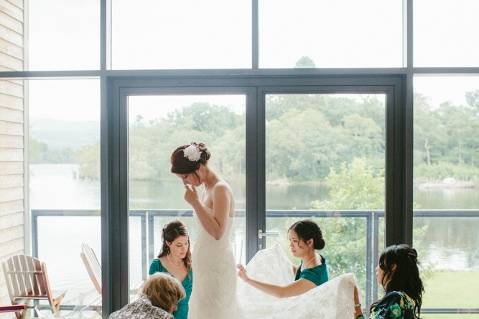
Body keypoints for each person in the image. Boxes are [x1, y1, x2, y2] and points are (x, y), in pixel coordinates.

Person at [171, 142, 241, 319]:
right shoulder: (206, 189)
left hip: (218, 265)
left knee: (216, 312)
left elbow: (218, 232)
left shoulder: (220, 189)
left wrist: (195, 202)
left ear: (199, 167)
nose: (184, 181)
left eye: (185, 176)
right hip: (205, 264)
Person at [237, 219, 328, 298]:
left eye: (295, 241)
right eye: (290, 240)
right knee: (270, 258)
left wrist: (248, 280)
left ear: (309, 242)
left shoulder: (314, 275)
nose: (291, 245)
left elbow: (282, 293)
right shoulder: (313, 257)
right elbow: (301, 272)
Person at [354, 244, 424, 319]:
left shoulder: (395, 297)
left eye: (380, 263)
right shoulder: (406, 299)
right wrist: (356, 302)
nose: (376, 268)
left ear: (393, 266)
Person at [149, 220, 192, 319]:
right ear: (168, 243)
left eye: (186, 243)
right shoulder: (157, 266)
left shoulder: (190, 265)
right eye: (179, 245)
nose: (184, 249)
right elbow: (153, 300)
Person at [109, 273, 185, 319]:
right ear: (165, 297)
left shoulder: (118, 314)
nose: (176, 308)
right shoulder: (164, 317)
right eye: (175, 302)